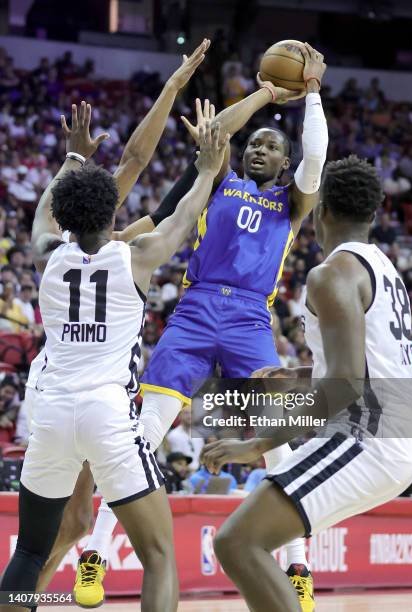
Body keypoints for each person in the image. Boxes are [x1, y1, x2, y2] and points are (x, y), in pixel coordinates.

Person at [83, 42, 327, 611]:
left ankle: (298, 567)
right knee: (143, 435)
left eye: (272, 145)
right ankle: (93, 555)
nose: (261, 147)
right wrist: (267, 95)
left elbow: (315, 159)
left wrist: (311, 96)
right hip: (193, 313)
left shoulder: (292, 203)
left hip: (248, 318)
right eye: (257, 143)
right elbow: (216, 131)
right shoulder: (215, 181)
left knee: (276, 447)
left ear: (284, 165)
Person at [0, 100, 228, 612]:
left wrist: (73, 159)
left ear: (66, 216)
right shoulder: (137, 256)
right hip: (109, 416)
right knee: (160, 554)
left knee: (31, 551)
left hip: (52, 414)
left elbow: (42, 214)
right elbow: (185, 215)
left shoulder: (45, 256)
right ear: (113, 213)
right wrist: (209, 169)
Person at [201, 155, 412, 612]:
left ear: (320, 210)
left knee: (238, 543)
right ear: (374, 214)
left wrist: (257, 443)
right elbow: (368, 367)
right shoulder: (382, 266)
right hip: (392, 437)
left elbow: (345, 386)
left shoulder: (332, 275)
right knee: (244, 542)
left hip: (369, 439)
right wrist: (300, 375)